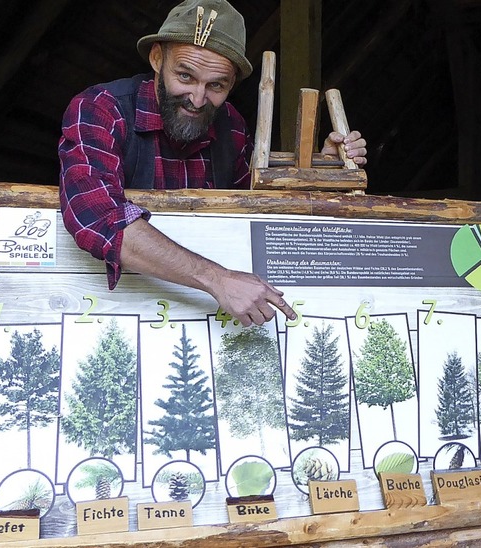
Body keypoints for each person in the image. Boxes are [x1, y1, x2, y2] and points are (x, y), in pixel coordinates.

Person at [58, 0, 367, 327]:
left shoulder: (230, 125)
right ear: (157, 58)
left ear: (232, 83)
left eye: (216, 85)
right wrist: (217, 279)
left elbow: (260, 216)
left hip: (207, 320)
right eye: (185, 75)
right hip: (112, 316)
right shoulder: (101, 110)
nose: (197, 98)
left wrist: (321, 172)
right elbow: (98, 216)